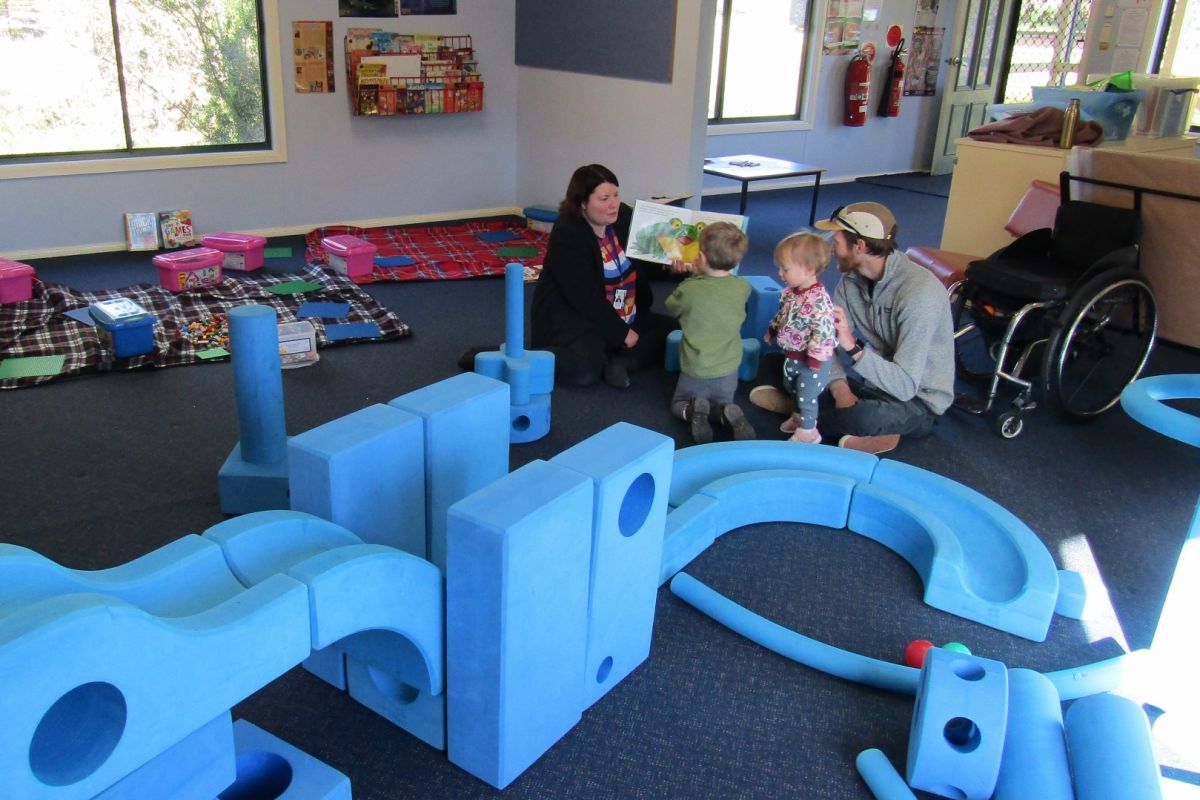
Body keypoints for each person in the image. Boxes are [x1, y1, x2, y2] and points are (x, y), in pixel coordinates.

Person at [749, 201, 954, 454]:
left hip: (916, 399)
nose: (831, 250)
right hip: (871, 386)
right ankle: (810, 410)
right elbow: (825, 340)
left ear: (860, 246)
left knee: (861, 417)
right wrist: (840, 388)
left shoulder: (920, 293)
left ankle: (807, 412)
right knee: (777, 359)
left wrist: (853, 348)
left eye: (836, 242)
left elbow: (905, 386)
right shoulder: (850, 280)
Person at [529, 163, 678, 388]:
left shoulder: (623, 216)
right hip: (579, 318)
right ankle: (507, 358)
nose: (614, 204)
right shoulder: (568, 235)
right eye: (604, 198)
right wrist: (621, 333)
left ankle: (621, 363)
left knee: (672, 331)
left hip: (625, 312)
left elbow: (648, 260)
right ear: (582, 203)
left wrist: (671, 267)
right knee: (584, 372)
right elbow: (583, 297)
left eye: (616, 195)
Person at [665, 221, 754, 444]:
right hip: (728, 369)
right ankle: (726, 412)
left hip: (696, 367)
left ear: (702, 258)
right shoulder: (743, 286)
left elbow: (672, 306)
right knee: (722, 403)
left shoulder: (690, 289)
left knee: (678, 404)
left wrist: (694, 276)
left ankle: (693, 410)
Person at [764, 232, 836, 444]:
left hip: (813, 361)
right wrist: (773, 329)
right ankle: (798, 417)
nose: (779, 273)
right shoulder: (791, 292)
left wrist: (815, 358)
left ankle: (808, 431)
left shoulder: (819, 301)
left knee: (806, 392)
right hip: (794, 353)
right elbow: (784, 315)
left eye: (785, 269)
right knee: (792, 387)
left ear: (809, 270)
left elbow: (824, 331)